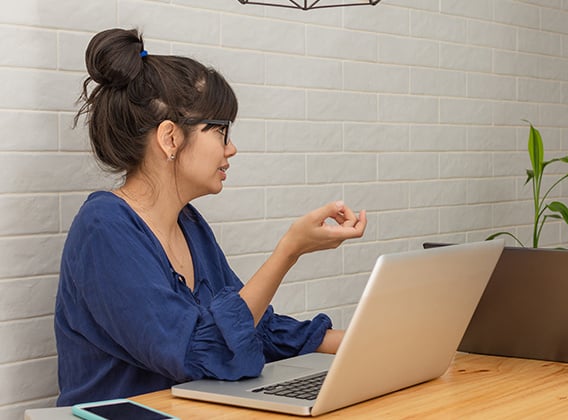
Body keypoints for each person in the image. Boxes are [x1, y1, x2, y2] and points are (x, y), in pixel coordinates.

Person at [54, 28, 367, 406]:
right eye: (220, 131)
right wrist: (289, 251)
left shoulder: (189, 224)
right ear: (170, 138)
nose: (231, 148)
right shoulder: (103, 230)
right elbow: (205, 351)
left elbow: (253, 326)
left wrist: (367, 344)